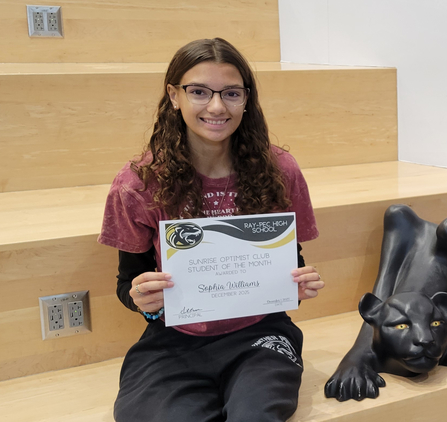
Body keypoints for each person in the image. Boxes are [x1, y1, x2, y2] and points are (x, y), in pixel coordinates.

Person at [98, 38, 324, 422]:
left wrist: (298, 286)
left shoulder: (280, 170)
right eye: (199, 92)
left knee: (256, 416)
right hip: (174, 340)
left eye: (231, 93)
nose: (217, 107)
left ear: (247, 99)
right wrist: (140, 297)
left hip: (262, 334)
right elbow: (128, 281)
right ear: (174, 95)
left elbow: (291, 263)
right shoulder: (139, 182)